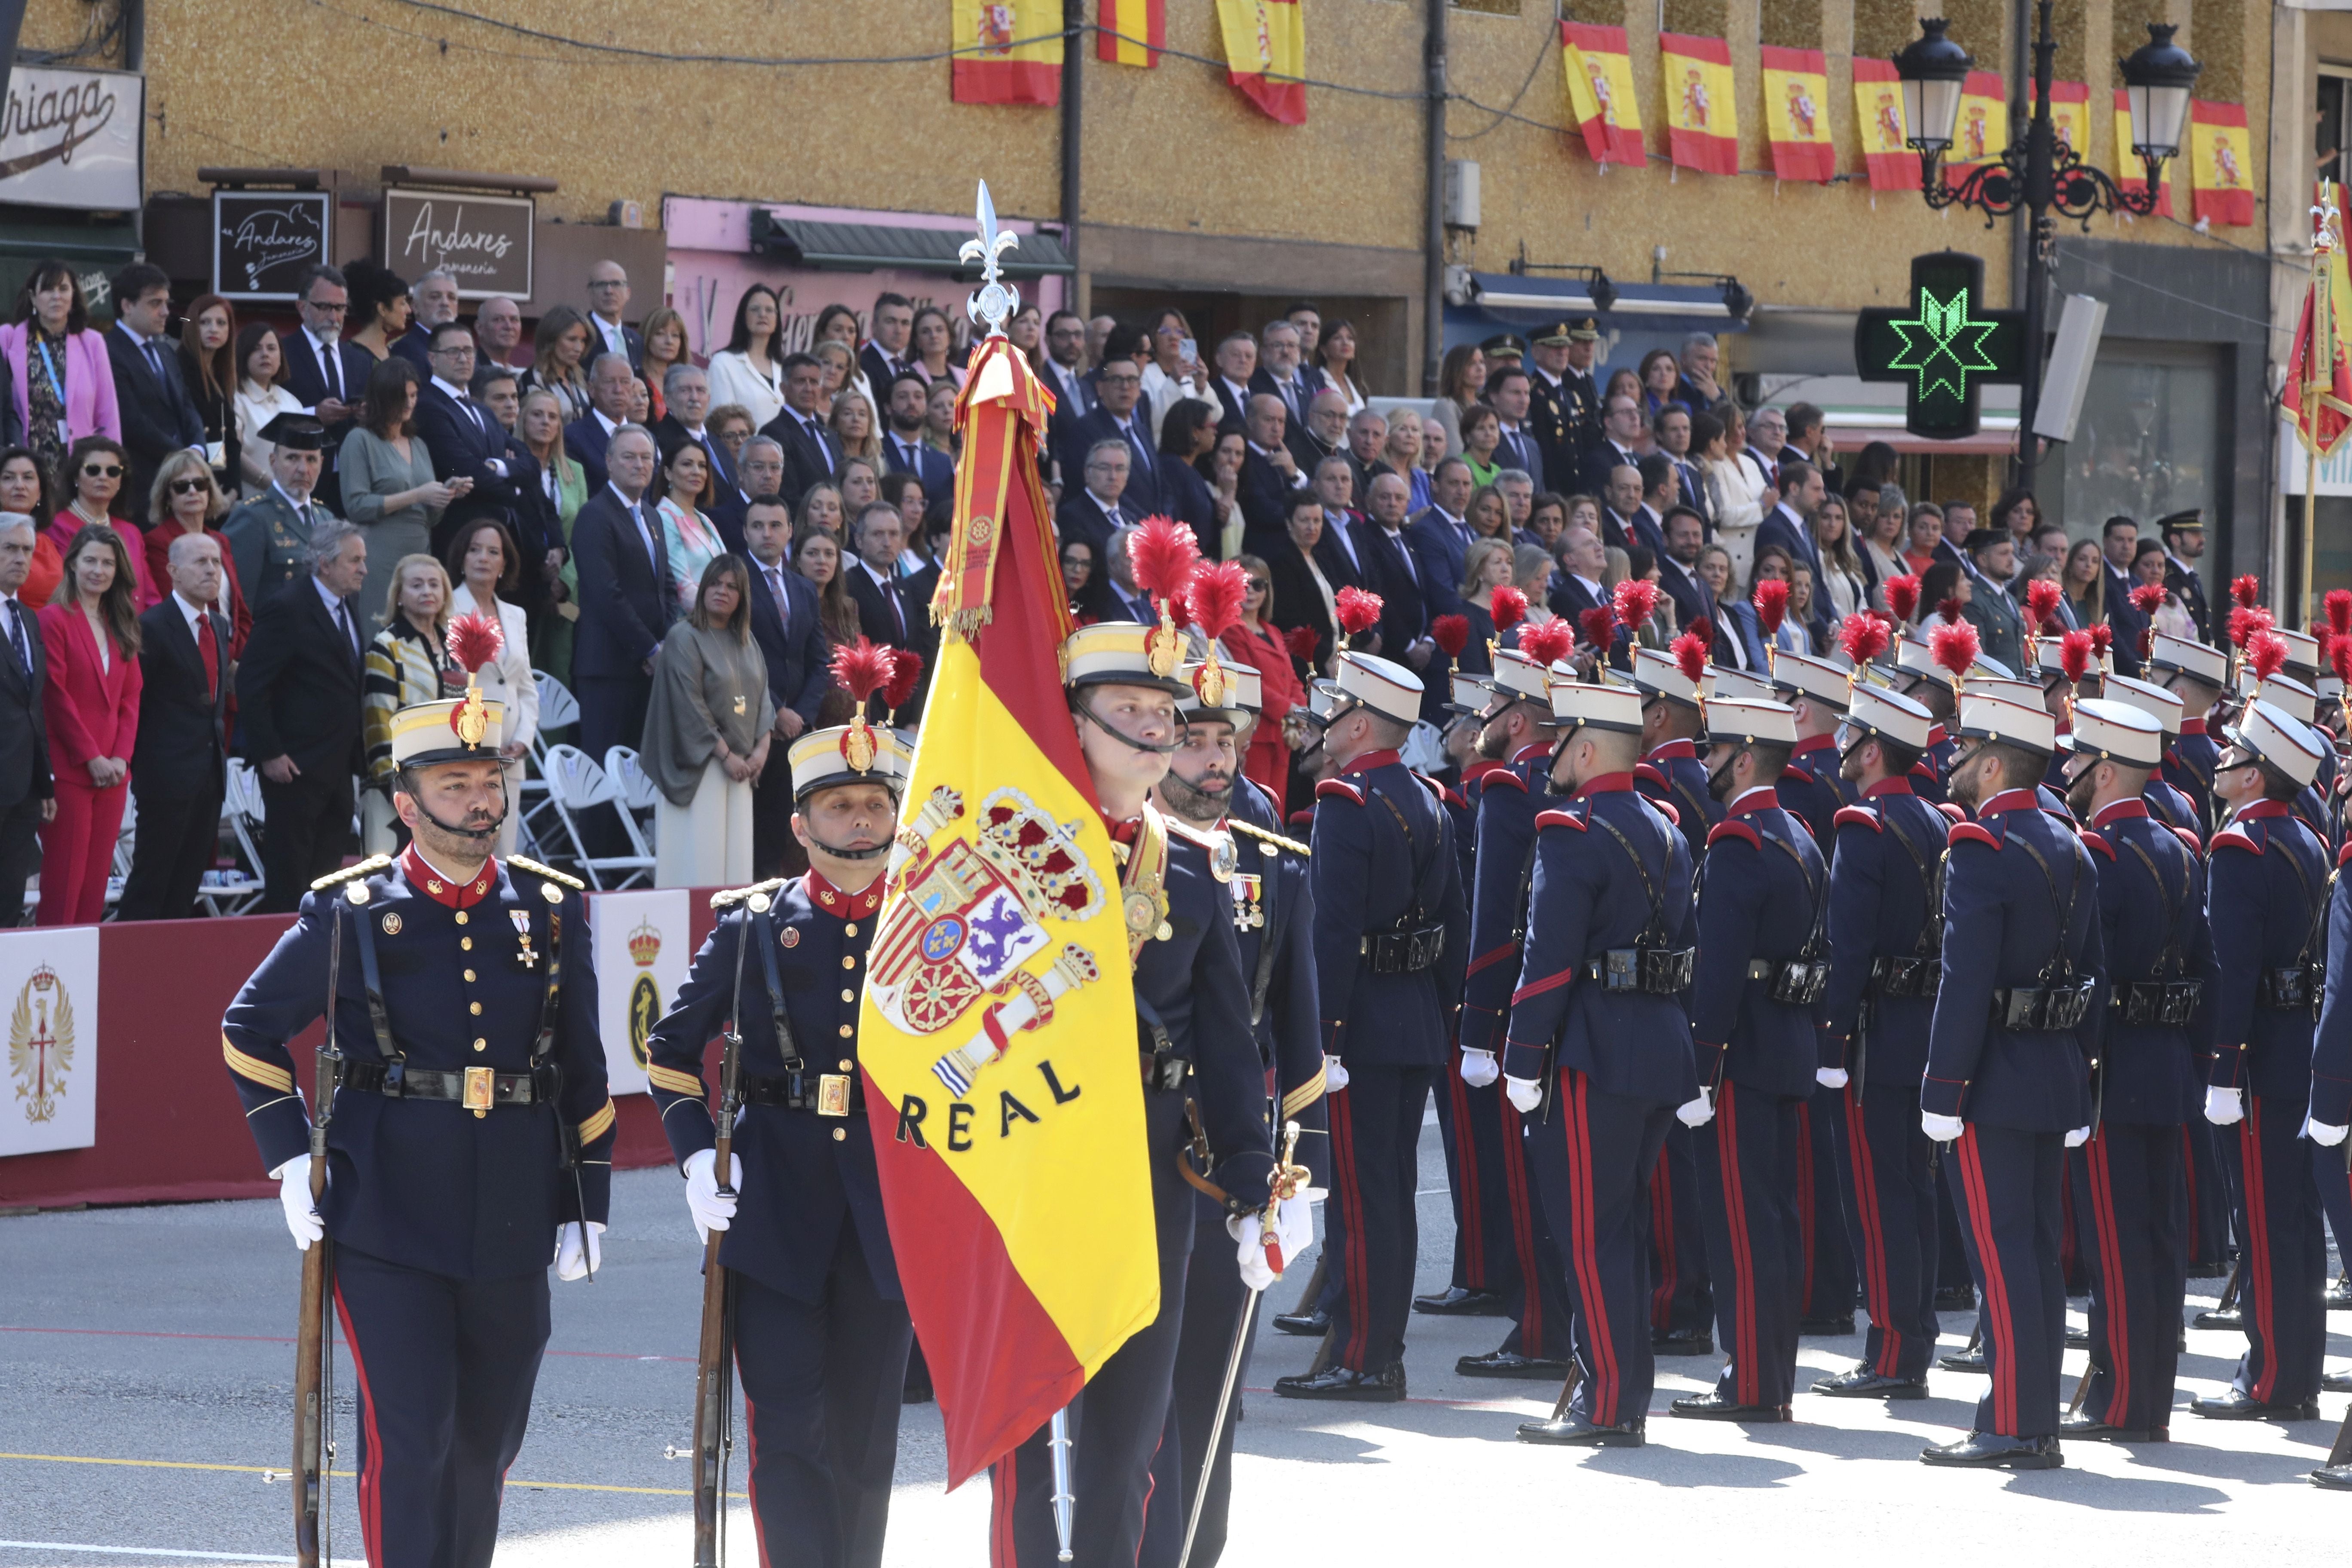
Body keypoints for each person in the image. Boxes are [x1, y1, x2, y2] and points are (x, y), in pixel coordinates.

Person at [220, 660, 612, 1568]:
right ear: (407, 803)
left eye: (491, 783)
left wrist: (588, 1199)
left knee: (486, 1445)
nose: (481, 803)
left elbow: (583, 1068)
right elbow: (250, 1029)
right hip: (386, 1212)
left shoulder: (551, 910)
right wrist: (287, 1158)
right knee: (413, 1437)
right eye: (456, 785)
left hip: (514, 1208)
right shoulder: (353, 909)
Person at [988, 618, 1281, 1566]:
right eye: (1131, 711)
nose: (1158, 731)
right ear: (1074, 724)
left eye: (1164, 712)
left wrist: (1248, 1187)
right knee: (1022, 1443)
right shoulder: (1008, 858)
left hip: (1151, 1176)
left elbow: (1228, 1041)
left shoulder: (1194, 868)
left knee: (1127, 1444)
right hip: (1031, 1167)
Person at [644, 705, 914, 1566]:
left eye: (876, 803)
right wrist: (694, 1160)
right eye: (841, 806)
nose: (862, 821)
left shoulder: (926, 928)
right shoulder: (753, 922)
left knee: (869, 1441)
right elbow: (672, 1053)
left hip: (890, 1216)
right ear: (801, 825)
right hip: (773, 1213)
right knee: (788, 1429)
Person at [1140, 652, 1324, 1566]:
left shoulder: (1275, 867)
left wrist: (1299, 1179)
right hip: (1131, 1139)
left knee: (1211, 1385)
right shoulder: (1108, 857)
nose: (1212, 761)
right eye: (1191, 739)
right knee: (1132, 1384)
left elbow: (1298, 1033)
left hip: (1229, 1158)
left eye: (1225, 742)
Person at [1482, 676, 1698, 1448]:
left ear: (1583, 746)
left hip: (1591, 1051)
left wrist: (1521, 1056)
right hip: (1656, 1042)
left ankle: (1605, 1402)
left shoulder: (1570, 831)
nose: (1549, 759)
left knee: (1590, 1232)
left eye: (1558, 744)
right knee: (1624, 1226)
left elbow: (1546, 959)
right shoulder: (1665, 826)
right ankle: (1619, 1391)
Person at [1916, 687, 2101, 1468]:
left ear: (1993, 764)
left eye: (1963, 753)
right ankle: (2028, 1416)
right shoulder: (2072, 842)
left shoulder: (1981, 848)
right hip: (2053, 1069)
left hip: (1991, 1079)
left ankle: (2015, 1424)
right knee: (2034, 1253)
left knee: (2002, 1257)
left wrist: (1940, 1090)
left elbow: (1965, 982)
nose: (1953, 766)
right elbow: (2090, 975)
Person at [1275, 652, 1467, 1401]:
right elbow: (1451, 919)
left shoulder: (1345, 803)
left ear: (1358, 723)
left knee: (1361, 1201)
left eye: (1332, 716)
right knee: (1388, 1193)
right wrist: (1444, 1012)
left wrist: (1322, 1038)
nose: (1322, 730)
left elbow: (1332, 933)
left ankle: (1361, 1357)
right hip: (1412, 1018)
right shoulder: (1425, 796)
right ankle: (1372, 1347)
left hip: (1357, 1029)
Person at [2052, 698, 2209, 1442]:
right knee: (2157, 1238)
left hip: (2110, 1068)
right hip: (2169, 1063)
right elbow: (2204, 969)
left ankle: (2120, 1401)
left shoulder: (2101, 855)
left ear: (2105, 768)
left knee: (2115, 1241)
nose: (2066, 771)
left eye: (2078, 761)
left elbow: (2092, 979)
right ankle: (2150, 1397)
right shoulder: (2182, 849)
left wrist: (2076, 1067)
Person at [1809, 683, 1951, 1400]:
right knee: (1915, 1193)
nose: (1838, 751)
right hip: (1925, 1026)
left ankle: (1892, 1350)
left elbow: (1849, 947)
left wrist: (1831, 1042)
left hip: (1875, 1037)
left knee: (1880, 1198)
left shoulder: (1864, 825)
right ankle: (1911, 1338)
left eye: (1848, 739)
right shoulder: (1934, 817)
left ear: (1871, 748)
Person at [2195, 696, 2330, 1423]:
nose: (2220, 761)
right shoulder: (2303, 836)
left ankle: (2271, 1376)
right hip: (2293, 1049)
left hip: (2258, 1062)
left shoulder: (2240, 846)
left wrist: (2221, 1071)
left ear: (2255, 776)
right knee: (2292, 1219)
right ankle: (2293, 1367)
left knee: (2265, 1221)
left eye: (2233, 755)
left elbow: (2233, 969)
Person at [117, 530, 232, 921]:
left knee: (187, 884)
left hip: (208, 777)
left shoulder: (217, 625)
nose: (211, 570)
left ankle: (169, 972)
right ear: (173, 571)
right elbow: (137, 704)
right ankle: (131, 965)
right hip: (165, 777)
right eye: (200, 562)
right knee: (152, 881)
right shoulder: (151, 626)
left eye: (216, 562)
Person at [641, 554, 771, 887]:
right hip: (701, 766)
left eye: (731, 586)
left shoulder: (748, 640)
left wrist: (761, 750)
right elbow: (688, 704)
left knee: (736, 870)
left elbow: (763, 697)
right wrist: (726, 755)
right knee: (701, 868)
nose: (721, 591)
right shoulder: (684, 636)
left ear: (743, 596)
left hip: (741, 767)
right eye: (714, 583)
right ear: (702, 589)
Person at [36, 523, 143, 925]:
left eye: (108, 563)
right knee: (64, 884)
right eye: (91, 561)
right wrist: (91, 756)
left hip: (113, 776)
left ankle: (81, 978)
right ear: (72, 565)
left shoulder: (122, 623)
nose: (99, 570)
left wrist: (120, 757)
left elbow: (131, 697)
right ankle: (48, 981)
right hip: (71, 771)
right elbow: (55, 696)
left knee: (95, 886)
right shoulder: (54, 619)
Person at [737, 494, 830, 879]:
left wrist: (802, 715)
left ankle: (775, 896)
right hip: (751, 725)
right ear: (745, 532)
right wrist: (776, 711)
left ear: (790, 531)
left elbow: (819, 660)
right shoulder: (735, 580)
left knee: (782, 823)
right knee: (752, 829)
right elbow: (737, 655)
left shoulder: (803, 587)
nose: (767, 534)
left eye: (776, 526)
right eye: (758, 526)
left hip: (796, 731)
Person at [570, 425, 672, 760]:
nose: (639, 464)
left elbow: (666, 587)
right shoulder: (595, 516)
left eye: (646, 457)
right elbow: (606, 594)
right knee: (606, 773)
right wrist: (649, 648)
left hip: (648, 668)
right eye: (629, 457)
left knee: (636, 776)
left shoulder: (653, 517)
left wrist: (665, 644)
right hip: (608, 668)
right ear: (609, 462)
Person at [341, 358, 459, 631]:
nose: (409, 404)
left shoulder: (418, 444)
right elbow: (356, 506)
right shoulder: (359, 440)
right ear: (382, 398)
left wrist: (446, 493)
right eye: (401, 397)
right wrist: (418, 494)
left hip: (420, 556)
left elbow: (430, 519)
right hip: (379, 555)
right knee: (379, 634)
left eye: (414, 395)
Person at [446, 520, 540, 856]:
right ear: (461, 559)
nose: (483, 558)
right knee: (467, 851)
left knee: (504, 855)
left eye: (493, 552)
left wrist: (525, 741)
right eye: (474, 550)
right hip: (469, 751)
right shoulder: (447, 608)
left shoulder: (516, 615)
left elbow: (526, 688)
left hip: (510, 756)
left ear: (505, 564)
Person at [361, 554, 459, 853]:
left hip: (448, 782)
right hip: (397, 785)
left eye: (434, 585)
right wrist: (394, 777)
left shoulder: (454, 646)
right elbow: (379, 717)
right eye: (416, 585)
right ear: (400, 596)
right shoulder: (387, 644)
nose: (427, 592)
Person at [2, 257, 119, 481]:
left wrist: (112, 469)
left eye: (63, 289)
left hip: (81, 467)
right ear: (33, 298)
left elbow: (108, 414)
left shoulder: (93, 343)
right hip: (27, 467)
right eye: (48, 290)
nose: (57, 296)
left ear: (73, 296)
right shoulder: (9, 340)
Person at [104, 263, 207, 511]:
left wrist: (197, 447)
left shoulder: (165, 350)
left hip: (181, 481)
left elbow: (187, 405)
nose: (165, 312)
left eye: (166, 303)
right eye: (155, 303)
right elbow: (131, 421)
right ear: (127, 306)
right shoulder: (108, 351)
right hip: (141, 483)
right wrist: (181, 456)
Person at [221, 413, 333, 612]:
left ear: (322, 464)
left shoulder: (326, 517)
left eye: (311, 460)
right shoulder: (253, 517)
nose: (303, 469)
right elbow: (240, 604)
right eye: (292, 458)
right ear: (273, 461)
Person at [142, 447, 249, 652]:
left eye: (200, 484)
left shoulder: (220, 541)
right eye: (182, 487)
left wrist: (235, 655)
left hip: (233, 657)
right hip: (192, 653)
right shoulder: (158, 542)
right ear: (167, 497)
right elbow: (174, 610)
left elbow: (240, 612)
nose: (193, 492)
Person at [0, 514, 51, 922]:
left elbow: (34, 706)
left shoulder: (29, 618)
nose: (21, 559)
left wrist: (44, 780)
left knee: (9, 901)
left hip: (24, 788)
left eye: (27, 551)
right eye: (10, 549)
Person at [1220, 556, 1299, 799]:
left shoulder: (1273, 631)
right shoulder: (1230, 629)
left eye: (1259, 584)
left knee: (1277, 810)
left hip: (1283, 735)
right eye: (1244, 585)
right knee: (1256, 809)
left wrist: (1302, 712)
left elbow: (1293, 679)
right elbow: (1250, 682)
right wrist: (1291, 709)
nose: (1252, 591)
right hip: (1256, 735)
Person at [49, 434, 158, 609]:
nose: (103, 477)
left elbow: (150, 596)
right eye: (93, 470)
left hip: (136, 631)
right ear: (76, 478)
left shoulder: (131, 532)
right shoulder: (55, 527)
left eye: (113, 471)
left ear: (121, 481)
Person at [655, 439, 725, 616]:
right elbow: (683, 588)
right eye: (687, 464)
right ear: (668, 473)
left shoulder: (705, 520)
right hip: (689, 626)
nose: (697, 472)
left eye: (702, 466)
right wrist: (724, 614)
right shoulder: (664, 518)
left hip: (720, 619)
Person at [233, 322, 303, 493]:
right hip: (249, 502)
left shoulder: (292, 402)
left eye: (272, 348)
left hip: (292, 499)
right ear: (243, 355)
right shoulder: (234, 398)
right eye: (257, 349)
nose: (265, 354)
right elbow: (231, 453)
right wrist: (270, 485)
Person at [706, 282, 787, 432]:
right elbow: (721, 422)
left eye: (769, 310)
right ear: (743, 317)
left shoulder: (785, 367)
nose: (763, 314)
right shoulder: (724, 363)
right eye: (755, 309)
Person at [524, 303, 595, 423]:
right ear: (551, 339)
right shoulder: (533, 380)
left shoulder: (580, 378)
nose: (579, 348)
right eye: (572, 339)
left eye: (583, 341)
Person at [793, 524, 861, 647]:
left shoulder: (848, 607)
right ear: (798, 560)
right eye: (812, 553)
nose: (822, 561)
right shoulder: (788, 605)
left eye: (829, 554)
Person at [1812, 492, 1870, 625]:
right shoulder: (1816, 556)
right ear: (1817, 520)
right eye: (1826, 517)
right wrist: (1853, 628)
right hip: (1836, 634)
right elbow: (1830, 603)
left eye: (1839, 518)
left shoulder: (1848, 558)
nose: (1833, 524)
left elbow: (1862, 602)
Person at [340, 258, 411, 364]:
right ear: (382, 309)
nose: (409, 310)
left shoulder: (392, 353)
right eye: (402, 303)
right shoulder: (350, 356)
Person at [1429, 343, 1486, 457]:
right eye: (1471, 364)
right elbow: (1454, 453)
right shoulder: (1447, 406)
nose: (1480, 369)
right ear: (1457, 369)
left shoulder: (1482, 407)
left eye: (1482, 362)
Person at [585, 259, 643, 368]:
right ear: (590, 292)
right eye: (602, 284)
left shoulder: (637, 341)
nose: (609, 291)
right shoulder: (581, 336)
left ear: (628, 293)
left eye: (616, 284)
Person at [637, 305, 688, 423]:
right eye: (660, 334)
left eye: (675, 335)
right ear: (647, 337)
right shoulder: (636, 379)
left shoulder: (687, 381)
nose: (669, 341)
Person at [1316, 317, 1369, 413]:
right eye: (1337, 338)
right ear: (1324, 349)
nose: (1345, 343)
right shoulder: (1317, 382)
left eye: (1350, 338)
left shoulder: (1357, 384)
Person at [472, 294, 528, 374]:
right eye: (499, 320)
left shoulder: (523, 377)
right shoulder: (469, 372)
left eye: (514, 320)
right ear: (479, 328)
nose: (509, 327)